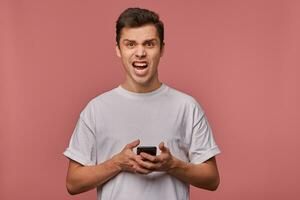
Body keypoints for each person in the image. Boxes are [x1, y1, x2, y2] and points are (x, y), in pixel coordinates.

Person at [63, 7, 221, 200]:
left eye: (149, 44)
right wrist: (117, 163)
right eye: (130, 44)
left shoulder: (187, 107)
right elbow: (73, 183)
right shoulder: (96, 109)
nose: (140, 53)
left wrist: (173, 165)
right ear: (118, 49)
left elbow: (212, 179)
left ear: (162, 49)